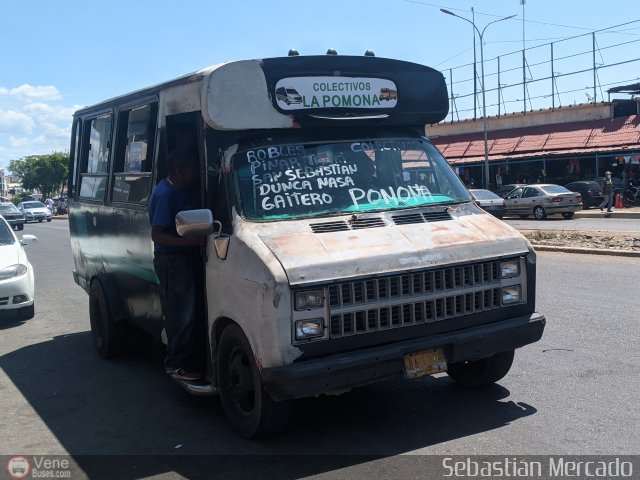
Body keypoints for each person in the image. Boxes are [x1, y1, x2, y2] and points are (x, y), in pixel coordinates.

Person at [148, 149, 206, 381]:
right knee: (182, 314)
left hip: (181, 259)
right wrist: (192, 241)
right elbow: (157, 235)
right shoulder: (167, 195)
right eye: (191, 170)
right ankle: (177, 364)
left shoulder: (177, 189)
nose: (195, 174)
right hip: (173, 261)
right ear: (179, 171)